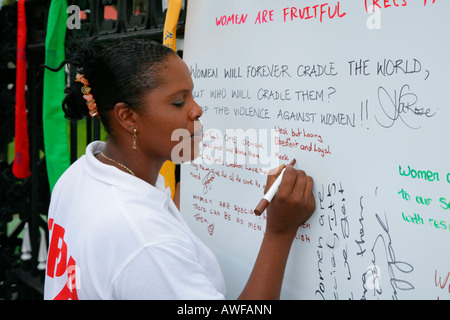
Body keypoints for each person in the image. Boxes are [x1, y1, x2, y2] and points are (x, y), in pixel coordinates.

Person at [43, 39, 315, 300]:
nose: (196, 109)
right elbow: (141, 247)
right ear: (128, 117)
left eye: (192, 96)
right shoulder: (146, 240)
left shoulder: (82, 172)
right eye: (178, 102)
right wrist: (279, 231)